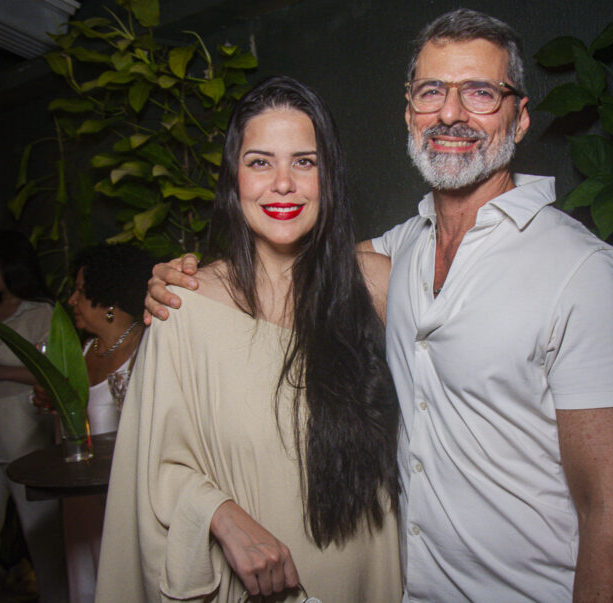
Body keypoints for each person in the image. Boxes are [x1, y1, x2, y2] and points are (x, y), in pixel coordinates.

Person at [146, 9, 613, 601]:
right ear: (409, 111)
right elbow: (293, 261)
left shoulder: (582, 274)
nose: (451, 113)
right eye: (432, 91)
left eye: (480, 92)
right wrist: (187, 280)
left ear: (520, 118)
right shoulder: (400, 251)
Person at [95, 76, 402, 602]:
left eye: (304, 162)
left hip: (369, 578)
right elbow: (149, 473)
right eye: (260, 162)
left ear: (329, 176)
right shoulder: (183, 307)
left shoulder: (378, 287)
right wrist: (220, 515)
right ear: (233, 177)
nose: (282, 183)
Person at [0, 230, 68, 602]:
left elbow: (55, 372)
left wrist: (1, 371)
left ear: (11, 264)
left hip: (21, 435)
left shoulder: (40, 312)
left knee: (41, 534)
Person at [40, 243, 154, 603]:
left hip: (123, 500)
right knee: (85, 583)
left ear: (109, 302)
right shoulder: (83, 351)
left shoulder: (147, 350)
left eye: (80, 291)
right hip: (81, 501)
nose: (71, 300)